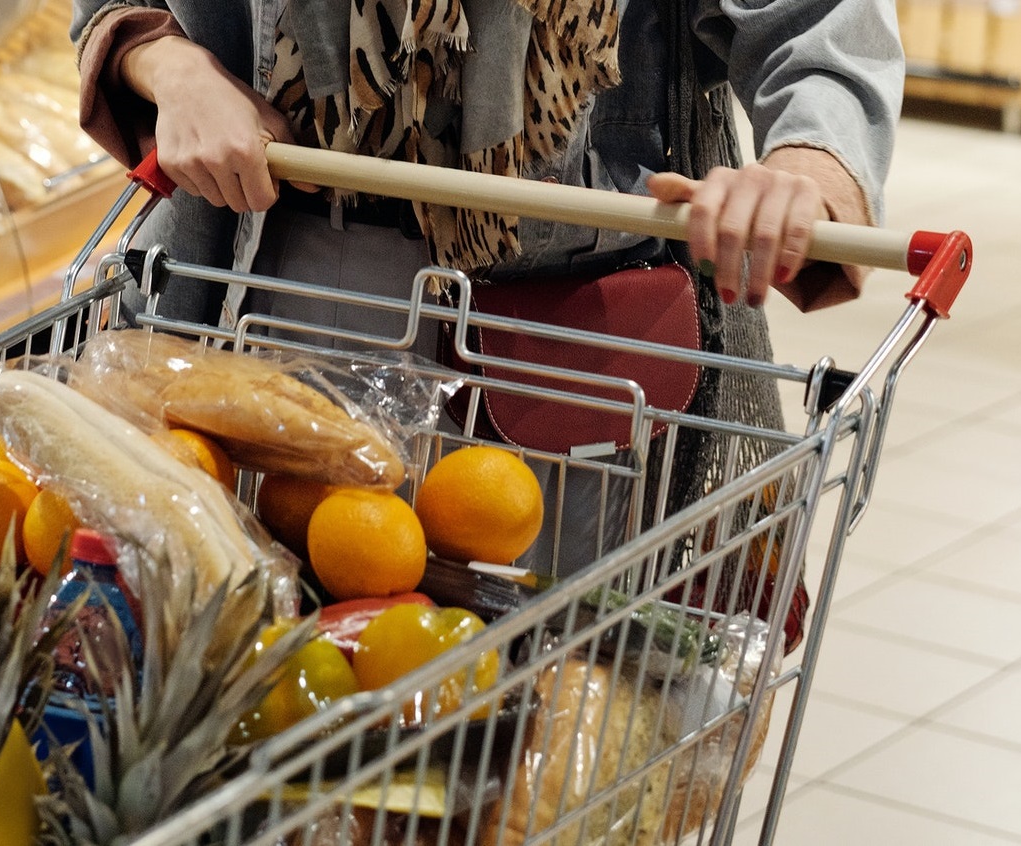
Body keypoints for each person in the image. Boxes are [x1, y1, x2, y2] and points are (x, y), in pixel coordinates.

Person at [68, 0, 904, 580]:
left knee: (524, 717)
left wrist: (805, 168)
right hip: (254, 282)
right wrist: (171, 66)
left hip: (558, 348)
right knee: (251, 685)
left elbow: (821, 29)